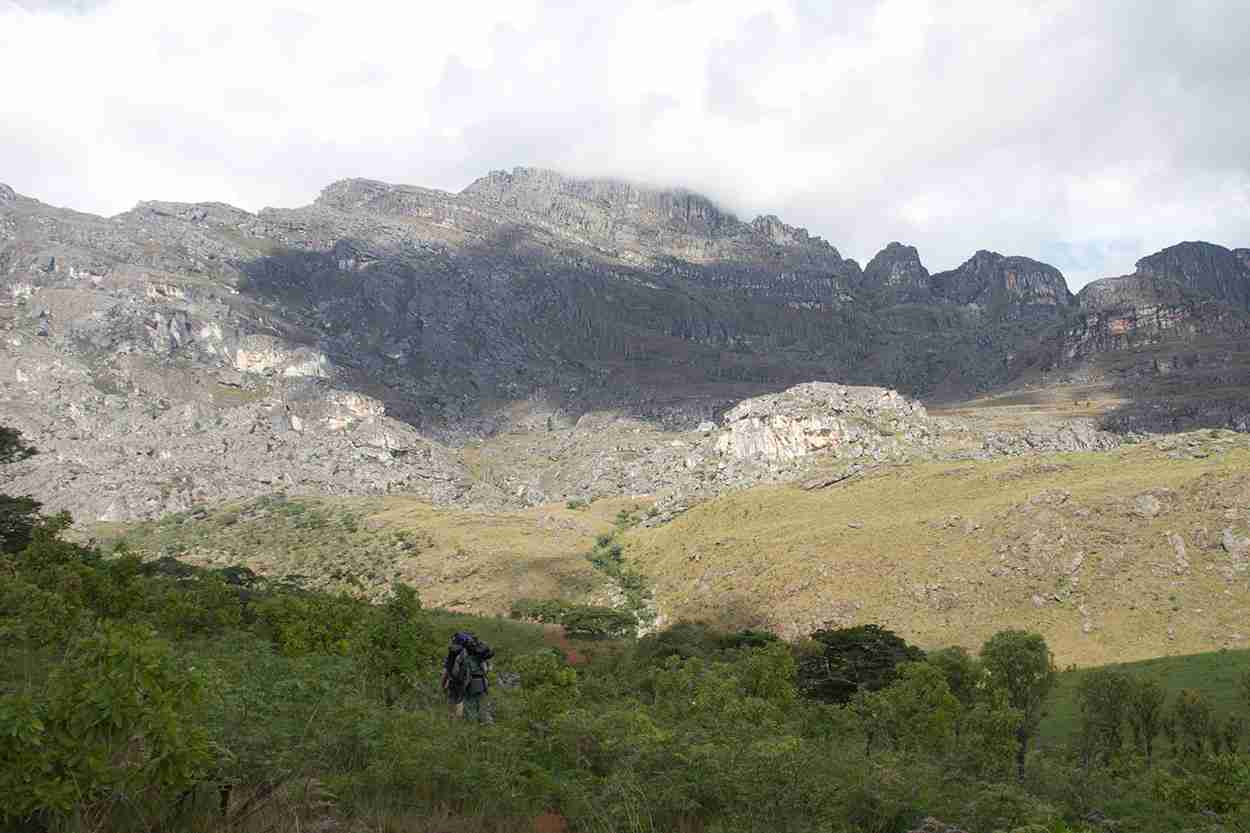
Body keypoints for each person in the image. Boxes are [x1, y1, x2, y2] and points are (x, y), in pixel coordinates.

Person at [441, 631, 494, 722]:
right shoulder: (478, 655)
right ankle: (482, 724)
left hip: (460, 683)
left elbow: (447, 671)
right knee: (480, 707)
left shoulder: (456, 654)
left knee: (459, 707)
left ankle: (457, 724)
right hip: (480, 683)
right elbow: (487, 669)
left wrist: (443, 684)